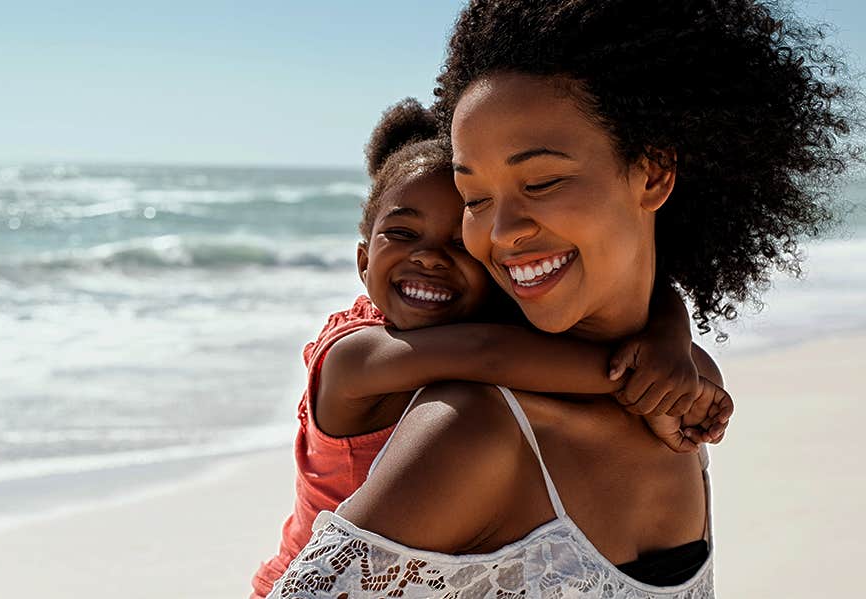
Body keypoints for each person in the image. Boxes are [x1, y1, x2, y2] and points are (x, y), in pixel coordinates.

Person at [267, 0, 855, 596]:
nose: (499, 234)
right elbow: (488, 352)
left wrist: (670, 346)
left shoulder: (674, 394)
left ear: (653, 174)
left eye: (542, 182)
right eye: (476, 199)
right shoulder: (471, 429)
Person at [250, 99, 732, 598]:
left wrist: (670, 339)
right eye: (401, 233)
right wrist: (654, 380)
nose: (430, 258)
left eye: (459, 242)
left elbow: (644, 288)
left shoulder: (475, 320)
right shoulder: (357, 354)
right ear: (362, 261)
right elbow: (487, 352)